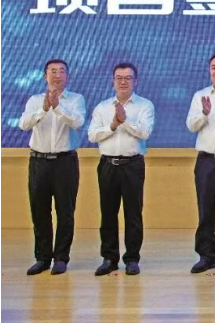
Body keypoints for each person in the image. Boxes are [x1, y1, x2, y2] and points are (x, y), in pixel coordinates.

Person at [18, 59, 86, 276]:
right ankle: (42, 258)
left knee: (65, 212)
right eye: (53, 71)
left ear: (67, 76)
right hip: (38, 162)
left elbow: (77, 122)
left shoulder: (76, 99)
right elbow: (23, 124)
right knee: (39, 211)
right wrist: (44, 109)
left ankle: (61, 258)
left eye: (61, 71)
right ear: (45, 76)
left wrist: (57, 107)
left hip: (65, 162)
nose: (57, 75)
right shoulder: (34, 100)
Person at [88, 62, 155, 276]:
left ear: (136, 81)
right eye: (119, 78)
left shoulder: (145, 106)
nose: (123, 81)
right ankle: (109, 258)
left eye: (128, 78)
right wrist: (113, 126)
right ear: (113, 81)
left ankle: (132, 259)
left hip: (132, 165)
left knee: (133, 214)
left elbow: (145, 132)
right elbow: (92, 135)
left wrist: (125, 121)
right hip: (107, 165)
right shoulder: (102, 107)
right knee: (108, 213)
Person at [186, 53, 215, 273]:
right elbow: (191, 126)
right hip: (206, 161)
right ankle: (206, 256)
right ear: (209, 71)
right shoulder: (200, 96)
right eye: (214, 67)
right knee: (205, 210)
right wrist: (205, 114)